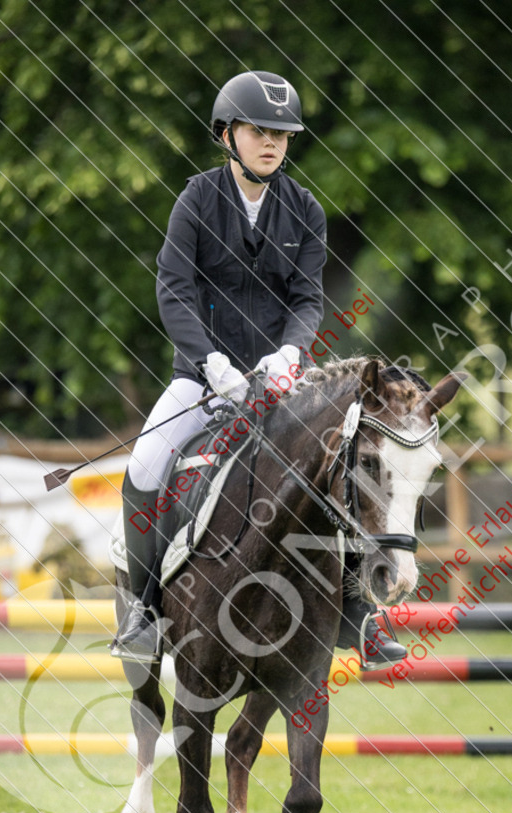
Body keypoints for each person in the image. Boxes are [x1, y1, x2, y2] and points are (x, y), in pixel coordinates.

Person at [110, 70, 405, 670]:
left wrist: (292, 354)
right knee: (143, 467)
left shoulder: (304, 209)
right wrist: (209, 362)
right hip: (202, 379)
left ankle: (363, 615)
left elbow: (307, 300)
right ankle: (142, 609)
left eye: (282, 133)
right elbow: (173, 287)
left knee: (341, 464)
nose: (272, 142)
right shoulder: (197, 200)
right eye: (257, 130)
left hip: (281, 382)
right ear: (227, 134)